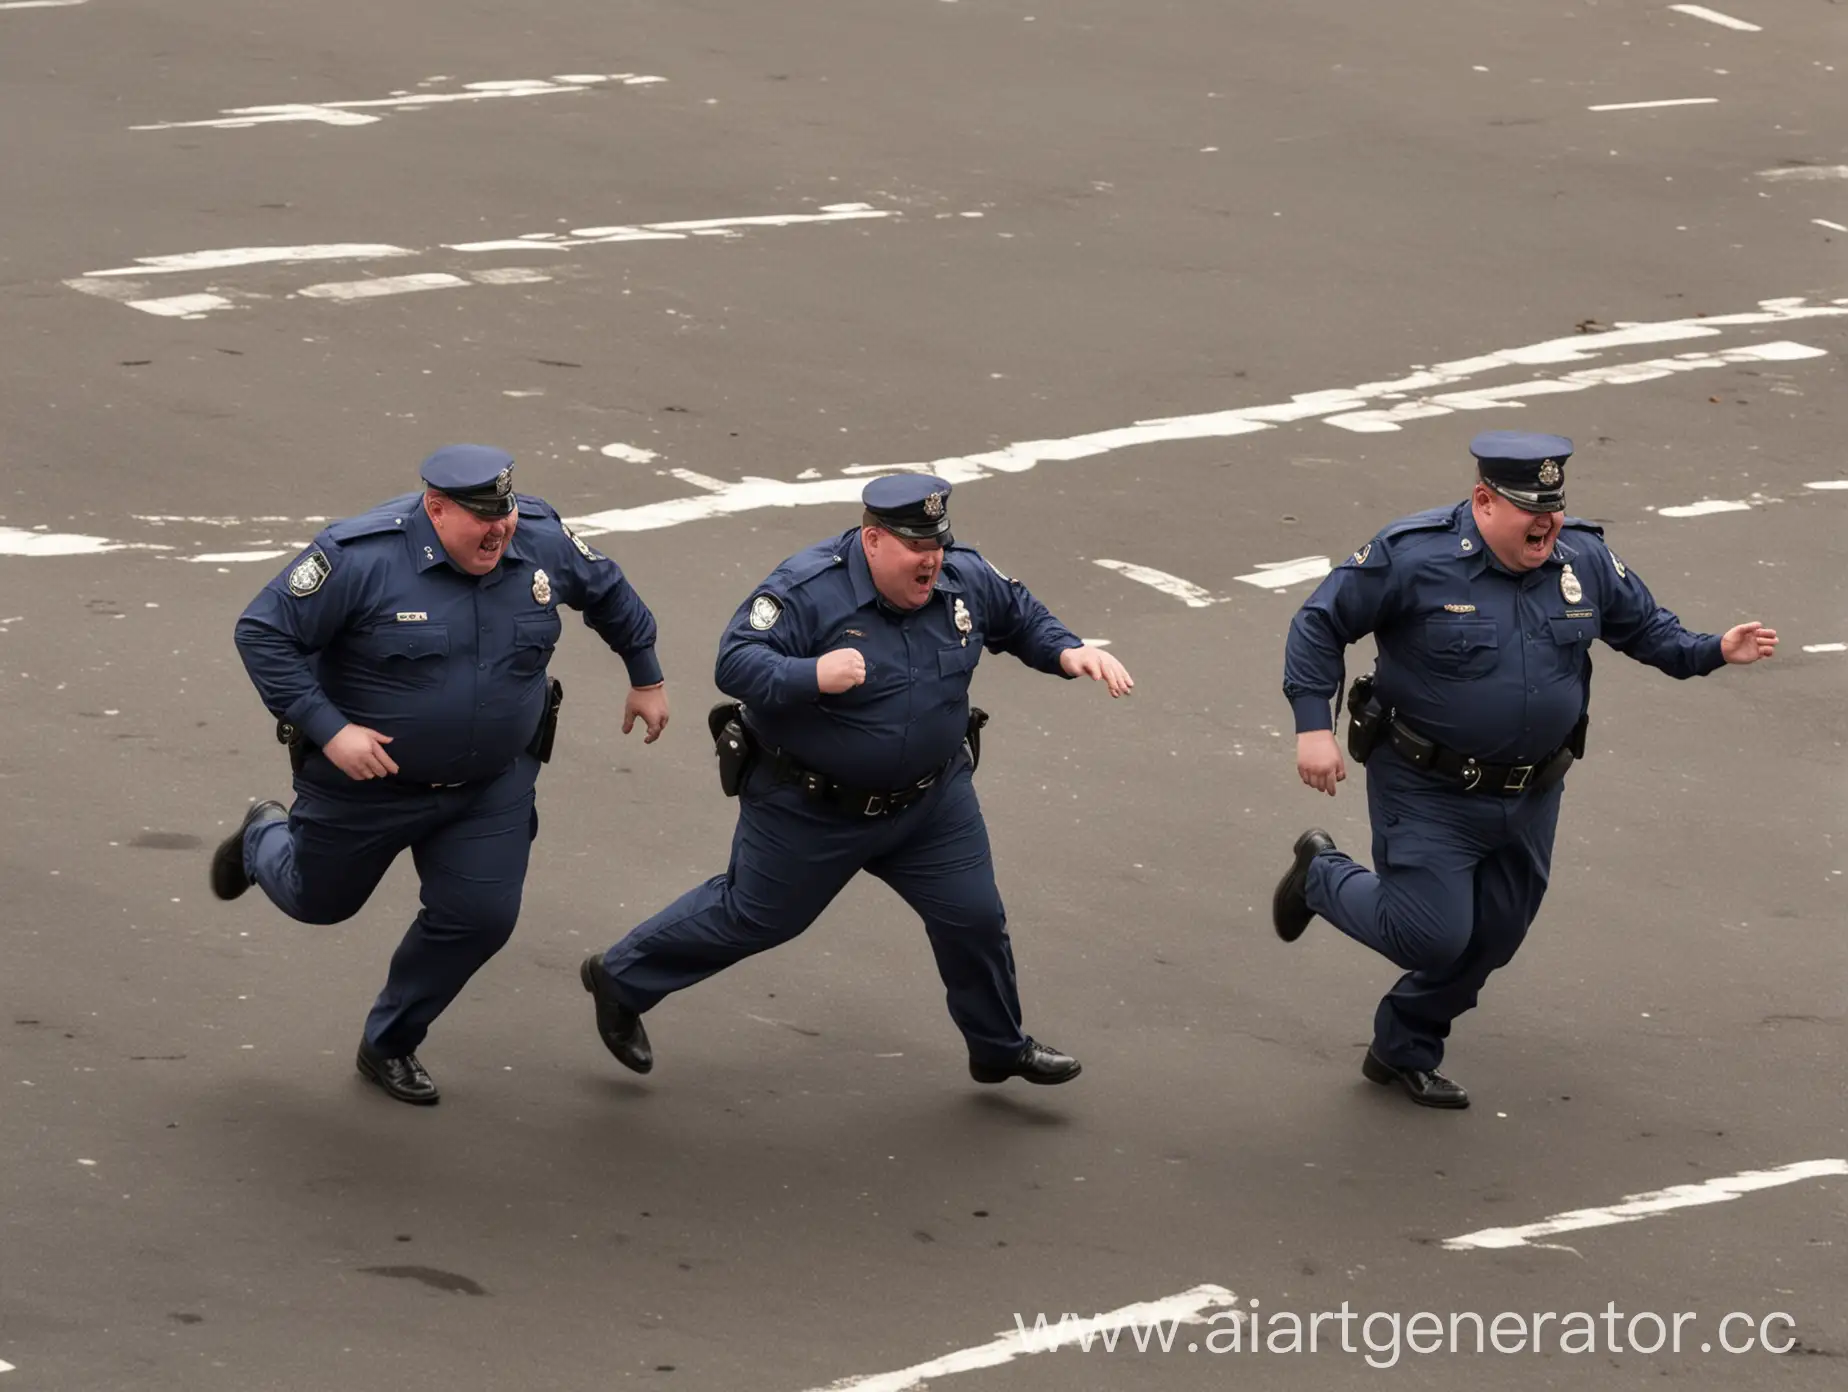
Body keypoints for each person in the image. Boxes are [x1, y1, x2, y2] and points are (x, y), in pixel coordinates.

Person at [1273, 430, 1777, 1109]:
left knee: (1493, 939)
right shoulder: (1412, 557)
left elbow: (1648, 629)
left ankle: (1402, 1048)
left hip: (1533, 793)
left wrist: (1715, 648)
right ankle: (1321, 876)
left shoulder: (1583, 561)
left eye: (1553, 508)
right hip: (1428, 788)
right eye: (1528, 509)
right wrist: (1313, 728)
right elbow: (1318, 624)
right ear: (1484, 501)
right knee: (1429, 934)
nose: (1547, 523)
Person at [579, 474, 1133, 1086]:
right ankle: (620, 977)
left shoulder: (961, 577)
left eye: (938, 546)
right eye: (916, 549)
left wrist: (1067, 652)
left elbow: (1020, 617)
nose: (932, 561)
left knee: (973, 917)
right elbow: (736, 661)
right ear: (872, 541)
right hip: (810, 805)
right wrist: (811, 674)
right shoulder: (808, 589)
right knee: (755, 917)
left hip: (931, 802)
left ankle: (998, 1045)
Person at [207, 444, 670, 1106]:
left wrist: (645, 675)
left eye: (505, 514)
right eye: (482, 518)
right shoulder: (359, 557)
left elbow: (609, 590)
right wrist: (330, 729)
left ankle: (391, 1041)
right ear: (435, 507)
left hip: (490, 785)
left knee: (480, 917)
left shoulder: (538, 538)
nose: (499, 530)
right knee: (319, 901)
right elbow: (262, 633)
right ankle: (262, 837)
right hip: (368, 787)